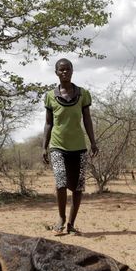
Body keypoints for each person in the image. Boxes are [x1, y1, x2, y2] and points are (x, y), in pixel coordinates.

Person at [42, 58, 99, 235]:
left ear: (72, 71)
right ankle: (61, 218)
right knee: (60, 182)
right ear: (56, 73)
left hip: (78, 147)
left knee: (78, 187)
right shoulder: (50, 96)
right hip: (57, 145)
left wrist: (93, 142)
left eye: (67, 69)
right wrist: (44, 146)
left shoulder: (83, 94)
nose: (64, 72)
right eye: (61, 69)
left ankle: (71, 224)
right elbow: (48, 123)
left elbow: (87, 119)